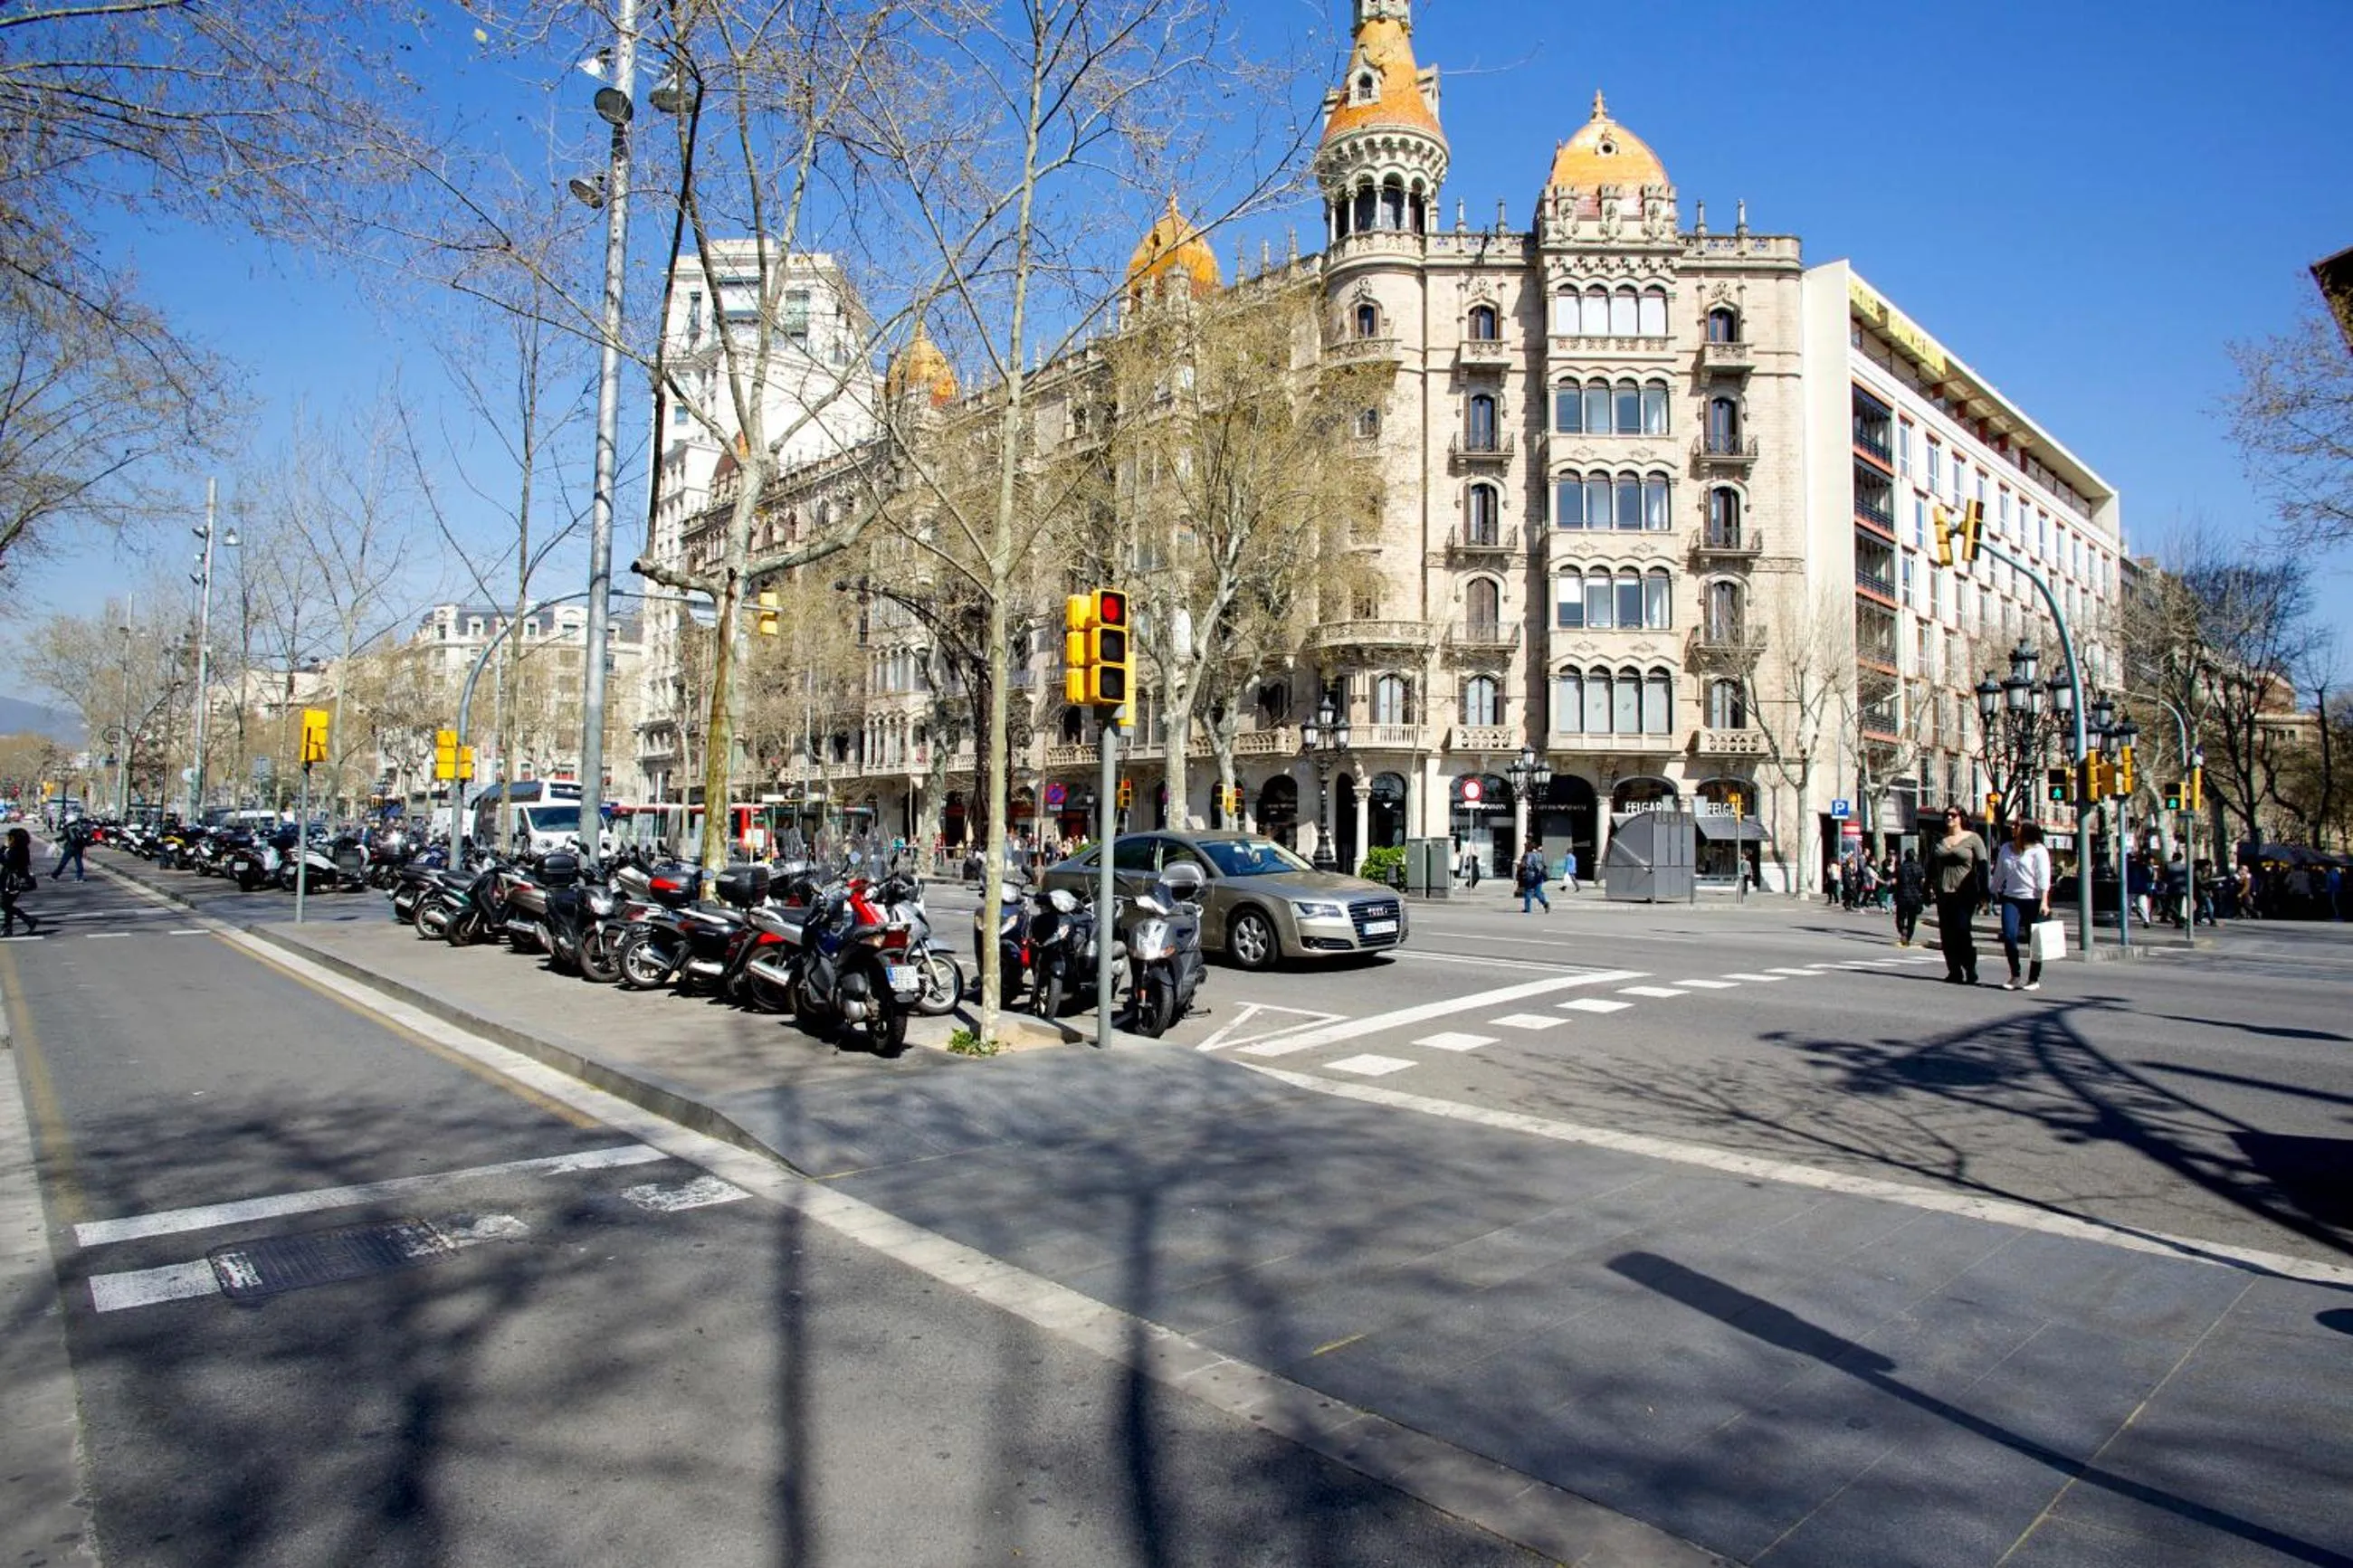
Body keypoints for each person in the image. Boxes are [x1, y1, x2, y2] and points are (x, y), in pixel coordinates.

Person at [1926, 806, 1989, 984]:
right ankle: (1954, 971)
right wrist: (1926, 887)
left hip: (1965, 892)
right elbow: (1931, 866)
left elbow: (1983, 866)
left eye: (1953, 815)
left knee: (1962, 930)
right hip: (1943, 892)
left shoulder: (1973, 838)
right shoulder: (1939, 840)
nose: (1949, 818)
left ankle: (1970, 968)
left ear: (1961, 818)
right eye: (1946, 815)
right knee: (1947, 933)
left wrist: (1985, 891)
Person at [1990, 820, 2053, 992]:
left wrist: (2044, 901)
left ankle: (2033, 978)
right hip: (2011, 898)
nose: (2013, 827)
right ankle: (2015, 975)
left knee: (2035, 940)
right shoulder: (2005, 848)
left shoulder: (2038, 850)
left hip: (2033, 899)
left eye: (2017, 825)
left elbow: (2044, 876)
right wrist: (1991, 891)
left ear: (2026, 829)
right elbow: (1999, 873)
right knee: (2009, 936)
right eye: (2013, 825)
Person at [2, 828, 40, 936]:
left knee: (5, 905)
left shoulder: (17, 850)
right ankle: (8, 928)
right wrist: (4, 848)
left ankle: (28, 920)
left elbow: (8, 863)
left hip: (12, 882)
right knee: (7, 904)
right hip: (11, 880)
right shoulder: (21, 848)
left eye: (10, 838)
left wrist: (4, 850)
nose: (8, 839)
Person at [1891, 848, 1926, 947]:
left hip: (1902, 895)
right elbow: (1923, 881)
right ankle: (1908, 937)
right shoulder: (1919, 868)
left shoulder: (1900, 868)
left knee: (1900, 917)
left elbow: (1894, 881)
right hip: (1915, 897)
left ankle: (1902, 929)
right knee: (1912, 919)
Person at [1516, 838, 1550, 913]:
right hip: (1539, 876)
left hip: (1530, 876)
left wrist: (1520, 866)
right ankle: (1545, 903)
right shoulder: (1540, 854)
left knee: (1528, 891)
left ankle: (1527, 909)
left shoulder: (1528, 855)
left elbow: (1527, 864)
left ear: (1529, 848)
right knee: (1538, 892)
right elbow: (1543, 864)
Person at [50, 817, 89, 881]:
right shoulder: (79, 826)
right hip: (79, 847)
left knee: (63, 863)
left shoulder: (67, 827)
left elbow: (63, 837)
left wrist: (56, 839)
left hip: (70, 848)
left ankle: (54, 876)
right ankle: (79, 878)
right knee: (79, 863)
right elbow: (84, 837)